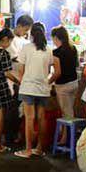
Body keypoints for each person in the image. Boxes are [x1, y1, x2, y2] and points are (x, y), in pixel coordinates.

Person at [13, 23, 55, 158]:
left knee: (29, 119)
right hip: (43, 88)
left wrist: (24, 80)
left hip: (28, 87)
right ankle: (39, 148)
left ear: (31, 34)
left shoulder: (26, 48)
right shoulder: (48, 49)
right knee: (41, 118)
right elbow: (48, 71)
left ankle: (28, 149)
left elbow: (21, 70)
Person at [51, 26, 79, 134]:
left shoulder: (56, 52)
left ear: (56, 38)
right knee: (69, 110)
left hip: (63, 85)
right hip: (74, 83)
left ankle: (67, 138)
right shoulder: (73, 49)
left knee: (66, 113)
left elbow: (57, 72)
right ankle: (65, 137)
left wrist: (48, 82)